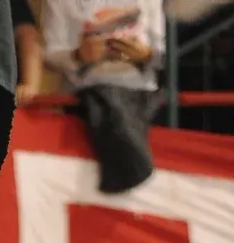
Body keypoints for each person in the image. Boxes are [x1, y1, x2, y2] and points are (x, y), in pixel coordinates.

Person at [44, 1, 165, 193]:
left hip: (140, 97)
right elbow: (49, 56)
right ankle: (133, 173)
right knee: (83, 179)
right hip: (83, 100)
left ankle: (130, 174)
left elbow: (162, 55)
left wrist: (145, 55)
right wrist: (78, 55)